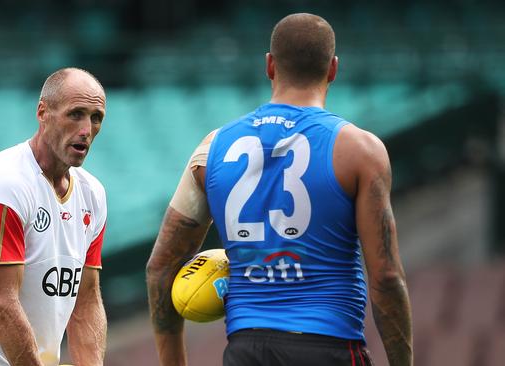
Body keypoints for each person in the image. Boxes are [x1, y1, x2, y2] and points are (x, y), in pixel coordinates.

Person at [146, 13, 412, 366]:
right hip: (329, 346)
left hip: (245, 350)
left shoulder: (212, 148)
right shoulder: (361, 151)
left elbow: (160, 268)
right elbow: (387, 277)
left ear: (269, 66)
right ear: (333, 69)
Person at [0, 68, 108, 366]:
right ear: (43, 113)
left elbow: (86, 301)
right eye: (76, 114)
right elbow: (1, 305)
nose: (86, 129)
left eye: (96, 117)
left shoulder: (93, 195)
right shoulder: (4, 183)